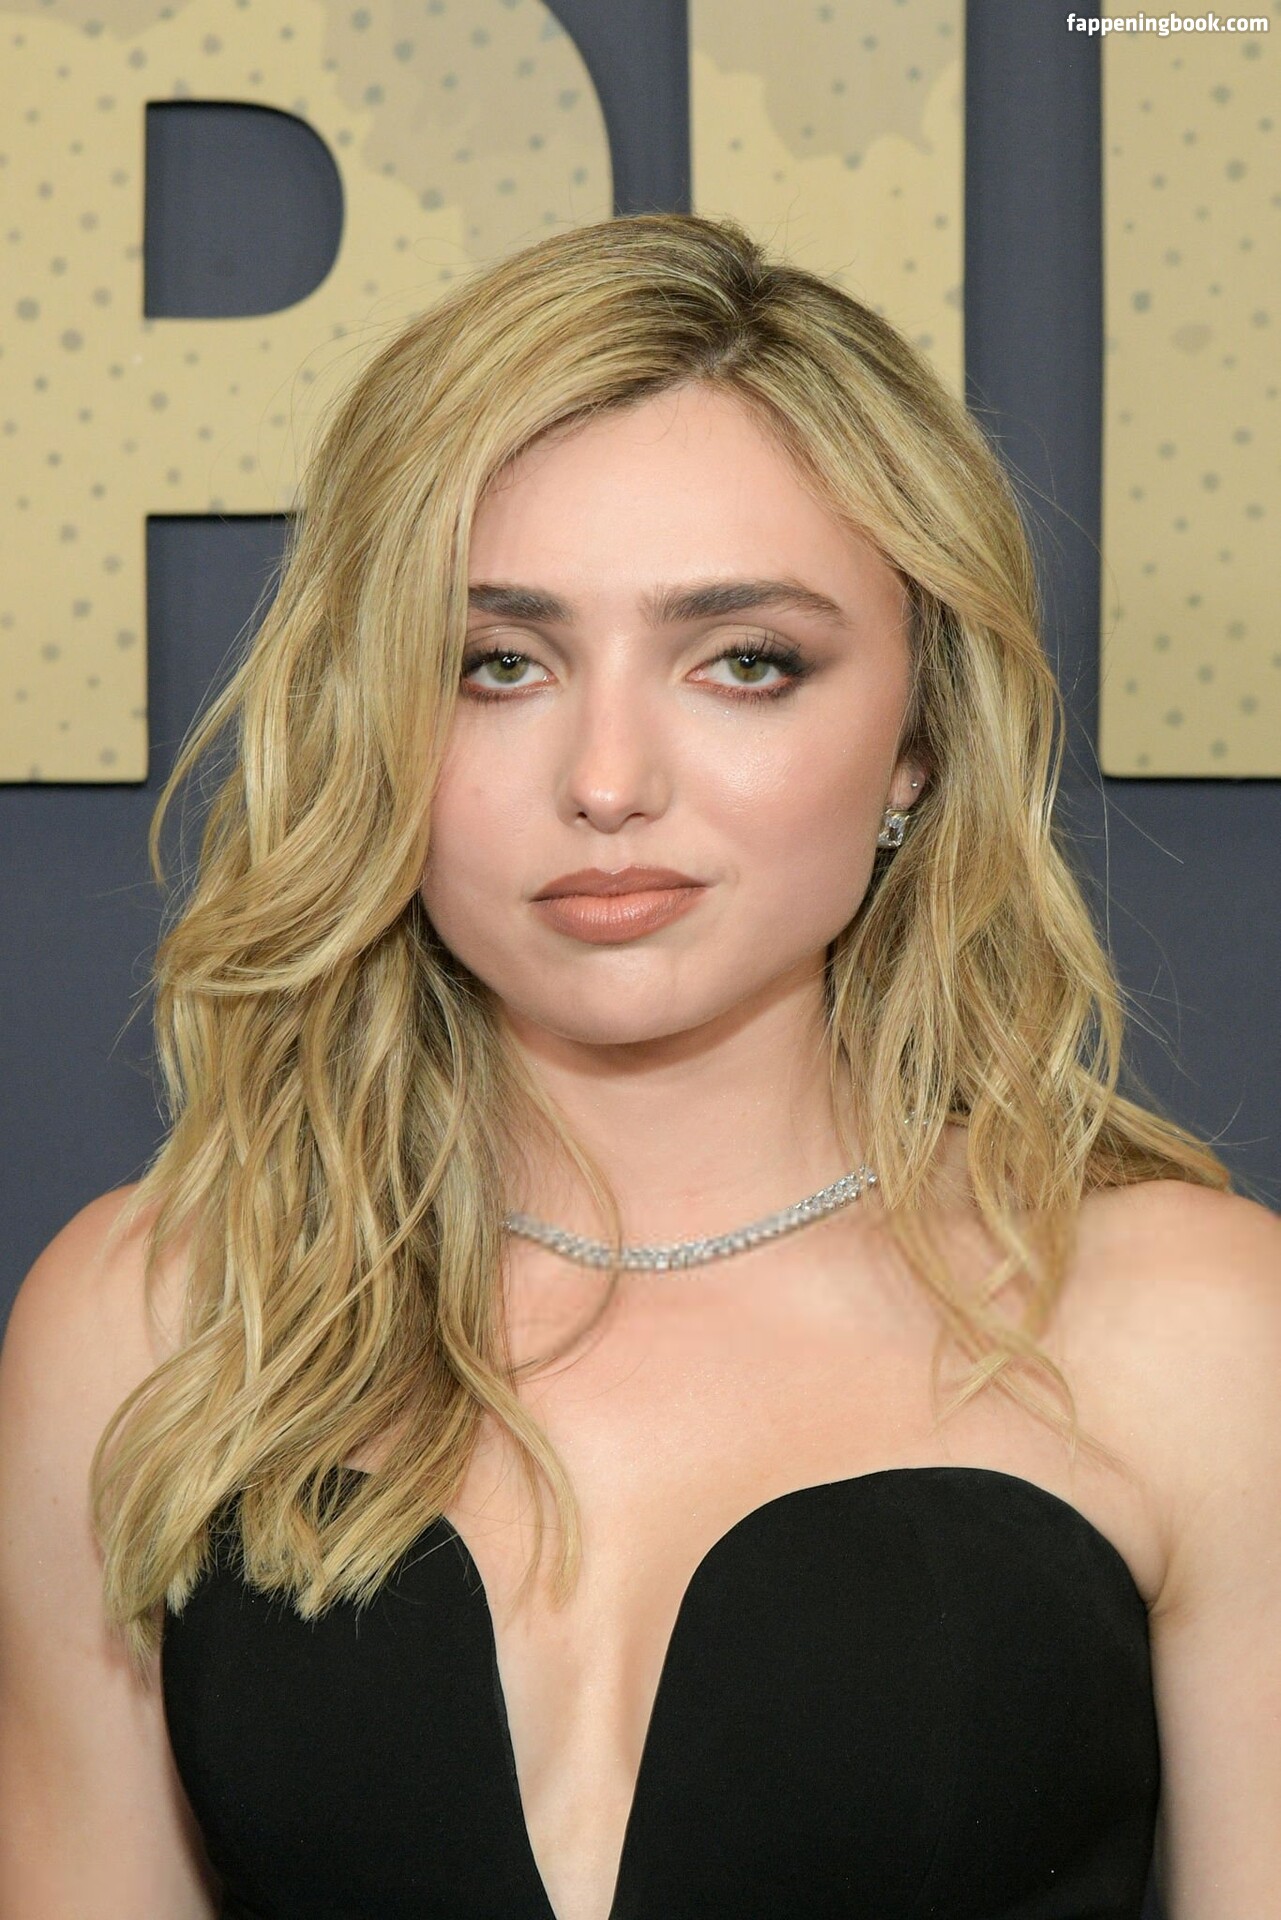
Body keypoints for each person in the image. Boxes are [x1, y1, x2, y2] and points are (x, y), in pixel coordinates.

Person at [1, 213, 1278, 1920]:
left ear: (916, 739)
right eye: (497, 665)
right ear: (378, 722)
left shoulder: (1192, 1335)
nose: (606, 779)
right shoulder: (162, 1325)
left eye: (744, 662)